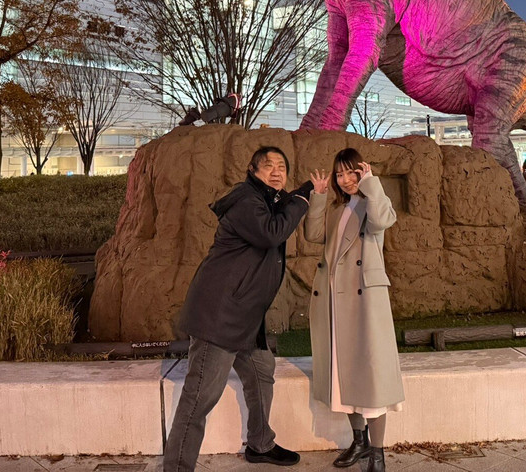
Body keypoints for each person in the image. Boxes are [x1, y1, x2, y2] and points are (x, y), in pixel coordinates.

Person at [164, 146, 313, 471]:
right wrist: (301, 201)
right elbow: (272, 232)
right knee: (199, 398)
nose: (277, 171)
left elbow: (281, 207)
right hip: (220, 319)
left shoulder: (265, 200)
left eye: (282, 167)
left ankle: (260, 444)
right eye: (268, 166)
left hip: (243, 319)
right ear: (253, 171)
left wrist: (305, 191)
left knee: (261, 372)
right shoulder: (246, 200)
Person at [305, 148, 404, 472]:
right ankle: (359, 442)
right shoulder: (337, 209)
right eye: (340, 175)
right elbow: (313, 235)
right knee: (344, 373)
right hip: (335, 300)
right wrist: (318, 198)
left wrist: (372, 183)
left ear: (362, 172)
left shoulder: (372, 202)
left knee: (371, 376)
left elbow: (382, 221)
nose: (345, 180)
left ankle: (377, 453)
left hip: (363, 302)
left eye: (351, 173)